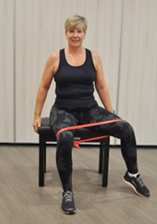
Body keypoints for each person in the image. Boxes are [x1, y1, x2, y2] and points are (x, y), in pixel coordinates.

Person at [32, 14, 149, 215]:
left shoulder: (93, 56)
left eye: (79, 31)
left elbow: (101, 86)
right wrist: (36, 115)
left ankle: (132, 174)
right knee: (66, 137)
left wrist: (110, 111)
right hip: (63, 110)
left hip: (89, 109)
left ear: (85, 34)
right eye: (71, 31)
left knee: (126, 128)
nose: (75, 35)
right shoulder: (55, 57)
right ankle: (68, 191)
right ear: (65, 33)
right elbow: (43, 87)